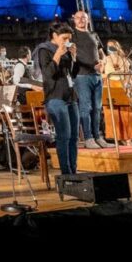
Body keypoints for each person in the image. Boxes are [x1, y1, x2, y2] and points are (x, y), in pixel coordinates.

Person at [32, 23, 79, 176]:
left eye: (69, 39)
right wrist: (58, 53)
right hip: (55, 97)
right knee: (63, 136)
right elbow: (48, 74)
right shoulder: (44, 49)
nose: (66, 41)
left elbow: (73, 74)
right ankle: (66, 173)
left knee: (74, 137)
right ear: (54, 36)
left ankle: (74, 170)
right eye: (64, 38)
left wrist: (73, 57)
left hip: (70, 95)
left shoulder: (66, 50)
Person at [69, 10, 106, 147]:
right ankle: (88, 138)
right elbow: (73, 56)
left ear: (88, 20)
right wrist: (92, 66)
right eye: (78, 18)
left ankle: (97, 136)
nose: (81, 20)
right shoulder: (72, 36)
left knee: (97, 108)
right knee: (86, 107)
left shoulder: (94, 35)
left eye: (83, 18)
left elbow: (102, 53)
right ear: (74, 19)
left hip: (97, 76)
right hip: (82, 75)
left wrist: (102, 62)